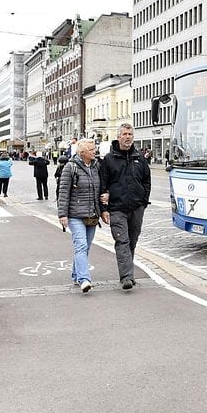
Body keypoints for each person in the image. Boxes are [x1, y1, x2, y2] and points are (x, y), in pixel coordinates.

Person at [99, 123, 152, 290]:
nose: (128, 137)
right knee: (122, 240)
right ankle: (127, 277)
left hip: (136, 207)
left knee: (132, 242)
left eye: (130, 134)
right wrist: (104, 209)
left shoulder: (140, 158)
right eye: (125, 134)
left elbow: (147, 181)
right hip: (117, 208)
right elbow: (103, 185)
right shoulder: (109, 159)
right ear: (118, 136)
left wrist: (144, 200)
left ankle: (128, 272)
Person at [57, 138, 104, 294]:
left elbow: (101, 188)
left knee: (85, 247)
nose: (94, 152)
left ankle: (76, 274)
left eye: (94, 149)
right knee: (81, 246)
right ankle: (85, 279)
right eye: (91, 149)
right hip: (75, 215)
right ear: (82, 152)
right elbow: (63, 193)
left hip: (92, 214)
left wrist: (104, 204)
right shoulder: (70, 168)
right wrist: (62, 214)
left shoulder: (97, 166)